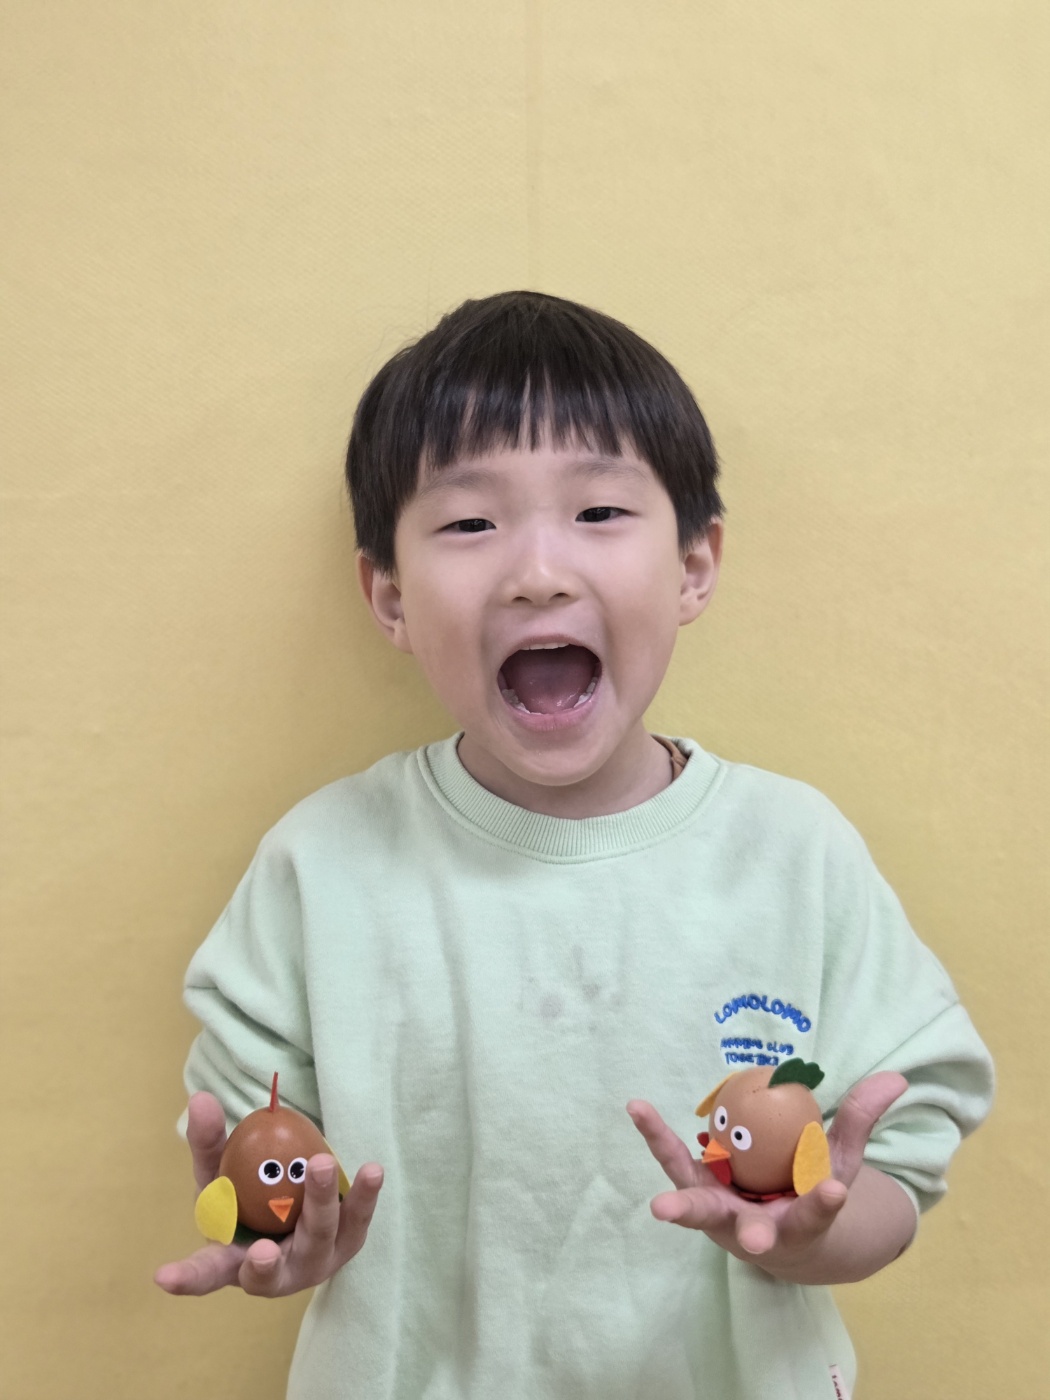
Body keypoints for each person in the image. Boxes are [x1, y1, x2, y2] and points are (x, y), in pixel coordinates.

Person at [155, 291, 993, 1399]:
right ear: (390, 595)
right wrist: (285, 1241)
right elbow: (264, 1176)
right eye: (469, 523)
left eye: (599, 511)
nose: (538, 571)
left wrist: (813, 1235)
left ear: (694, 565)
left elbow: (896, 1162)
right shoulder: (322, 868)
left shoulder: (794, 852)